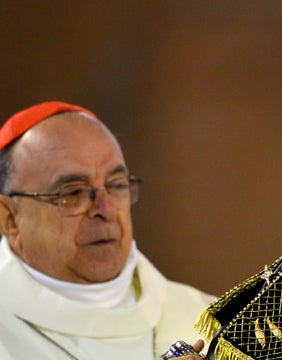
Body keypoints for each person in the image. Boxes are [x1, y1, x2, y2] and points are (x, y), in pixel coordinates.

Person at [0, 101, 215, 359]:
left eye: (116, 185)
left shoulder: (206, 318)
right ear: (10, 218)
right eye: (72, 193)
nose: (105, 209)